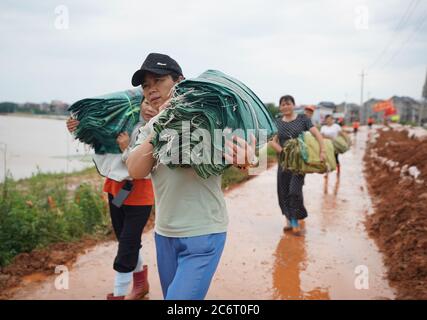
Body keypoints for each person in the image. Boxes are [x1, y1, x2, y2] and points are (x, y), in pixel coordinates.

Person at [126, 53, 258, 300]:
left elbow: (250, 159)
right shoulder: (150, 127)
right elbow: (135, 170)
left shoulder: (208, 118)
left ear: (180, 81)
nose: (151, 89)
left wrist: (248, 159)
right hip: (165, 234)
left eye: (159, 80)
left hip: (204, 233)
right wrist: (163, 122)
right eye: (146, 85)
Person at [66, 98, 156, 300]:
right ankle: (141, 283)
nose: (150, 109)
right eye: (146, 103)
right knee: (126, 241)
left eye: (154, 105)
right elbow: (96, 136)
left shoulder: (156, 129)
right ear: (139, 103)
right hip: (116, 191)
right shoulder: (121, 121)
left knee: (126, 245)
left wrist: (126, 148)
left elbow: (151, 165)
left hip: (141, 195)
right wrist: (75, 128)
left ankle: (118, 294)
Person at [269, 95, 325, 235]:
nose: (285, 106)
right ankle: (289, 219)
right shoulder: (277, 123)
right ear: (280, 107)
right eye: (282, 104)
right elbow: (272, 141)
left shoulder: (303, 119)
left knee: (294, 191)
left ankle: (295, 220)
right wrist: (284, 151)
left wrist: (322, 150)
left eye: (288, 104)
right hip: (283, 162)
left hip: (299, 163)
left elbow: (316, 134)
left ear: (293, 105)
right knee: (283, 192)